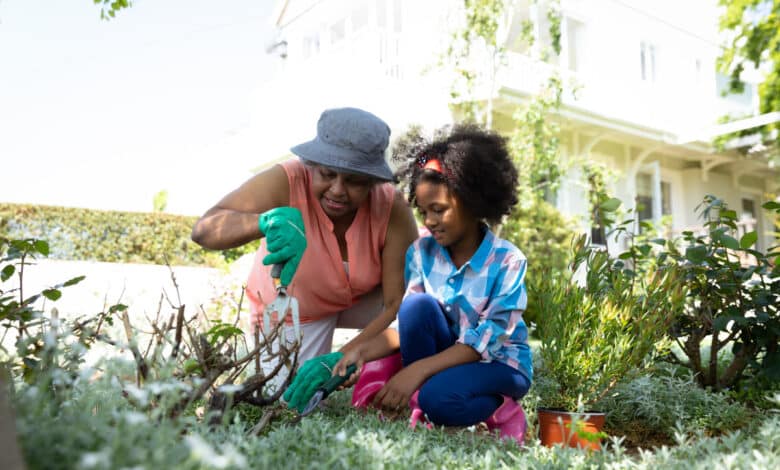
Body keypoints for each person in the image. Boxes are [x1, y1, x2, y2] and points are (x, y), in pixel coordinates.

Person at [285, 124, 532, 430]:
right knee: (416, 308)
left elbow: (485, 342)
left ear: (473, 202)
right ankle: (424, 399)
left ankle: (501, 408)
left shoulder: (507, 261)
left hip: (500, 363)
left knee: (439, 401)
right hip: (447, 359)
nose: (429, 222)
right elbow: (406, 329)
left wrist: (414, 372)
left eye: (438, 210)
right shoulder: (421, 253)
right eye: (423, 211)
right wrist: (354, 354)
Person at [191, 107, 419, 375]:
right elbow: (203, 230)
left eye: (355, 181)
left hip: (365, 303)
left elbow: (396, 303)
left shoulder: (391, 207)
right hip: (298, 308)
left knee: (417, 316)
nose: (337, 190)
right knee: (288, 394)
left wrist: (344, 356)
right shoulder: (286, 180)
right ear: (312, 166)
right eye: (327, 174)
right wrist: (262, 223)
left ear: (372, 181)